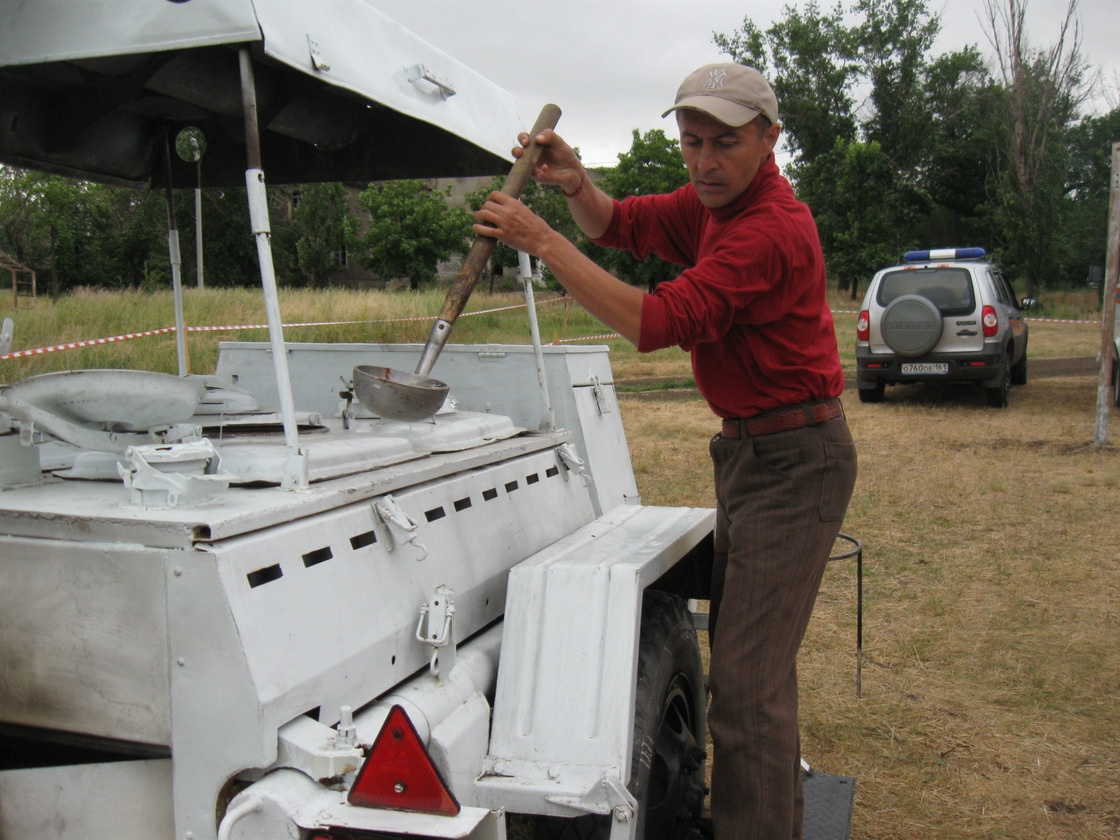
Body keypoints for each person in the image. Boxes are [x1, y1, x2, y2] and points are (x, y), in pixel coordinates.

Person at [474, 63, 858, 840]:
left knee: (746, 692)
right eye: (690, 142)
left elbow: (656, 323)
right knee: (759, 682)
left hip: (797, 462)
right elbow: (621, 225)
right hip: (752, 456)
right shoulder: (713, 203)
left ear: (769, 139)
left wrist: (540, 239)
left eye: (725, 143)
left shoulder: (768, 230)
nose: (704, 162)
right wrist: (577, 186)